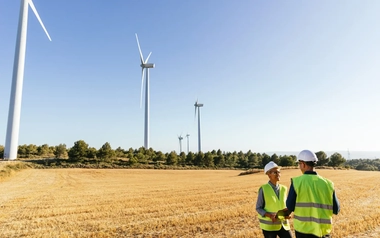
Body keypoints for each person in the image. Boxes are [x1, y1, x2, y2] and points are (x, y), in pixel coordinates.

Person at [286, 150, 340, 238]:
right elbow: (336, 209)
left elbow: (289, 206)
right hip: (323, 232)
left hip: (303, 231)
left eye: (299, 164)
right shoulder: (329, 184)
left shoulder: (296, 182)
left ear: (303, 164)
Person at [256, 161, 292, 238]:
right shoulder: (263, 189)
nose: (278, 174)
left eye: (279, 172)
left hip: (283, 224)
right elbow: (258, 208)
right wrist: (269, 215)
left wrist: (286, 214)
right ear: (268, 174)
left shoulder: (284, 188)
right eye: (275, 172)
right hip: (269, 227)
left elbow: (284, 205)